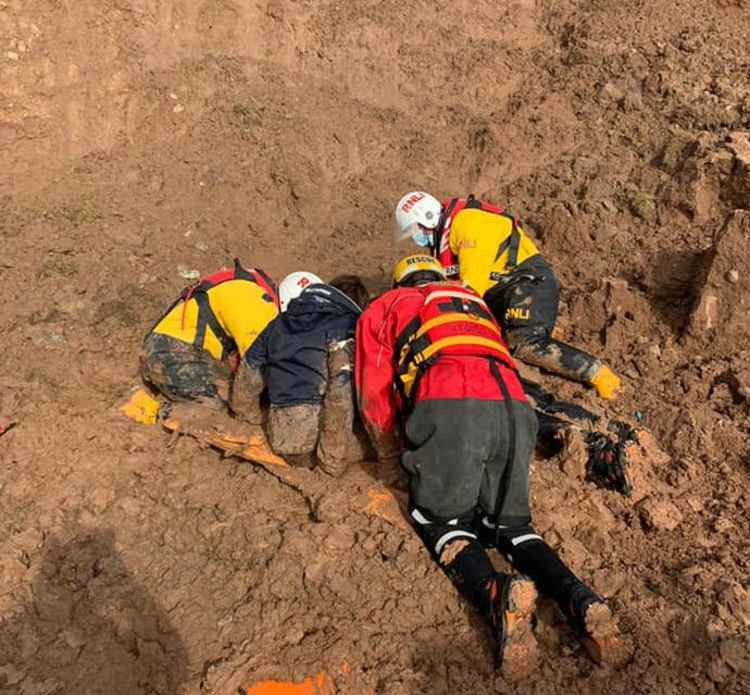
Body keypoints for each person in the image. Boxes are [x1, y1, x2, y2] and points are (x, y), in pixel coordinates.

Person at [355, 254, 624, 678]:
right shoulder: (471, 299)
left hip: (451, 399)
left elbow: (375, 397)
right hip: (515, 408)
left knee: (442, 521)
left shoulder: (386, 306)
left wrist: (391, 463)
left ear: (399, 281)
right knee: (513, 527)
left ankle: (497, 594)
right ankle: (582, 599)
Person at [393, 192, 622, 399]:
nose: (416, 239)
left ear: (429, 218)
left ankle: (596, 372)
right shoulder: (449, 233)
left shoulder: (467, 223)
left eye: (416, 230)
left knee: (522, 341)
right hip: (507, 290)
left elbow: (471, 288)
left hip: (527, 283)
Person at [236, 271, 369, 476]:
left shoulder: (278, 322)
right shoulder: (345, 326)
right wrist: (331, 460)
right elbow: (341, 395)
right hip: (315, 445)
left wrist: (250, 419)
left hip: (280, 438)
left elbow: (248, 374)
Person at [140, 258, 278, 419]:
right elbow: (257, 365)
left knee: (231, 391)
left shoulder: (247, 288)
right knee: (220, 408)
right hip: (174, 354)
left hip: (172, 349)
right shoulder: (258, 302)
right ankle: (156, 412)